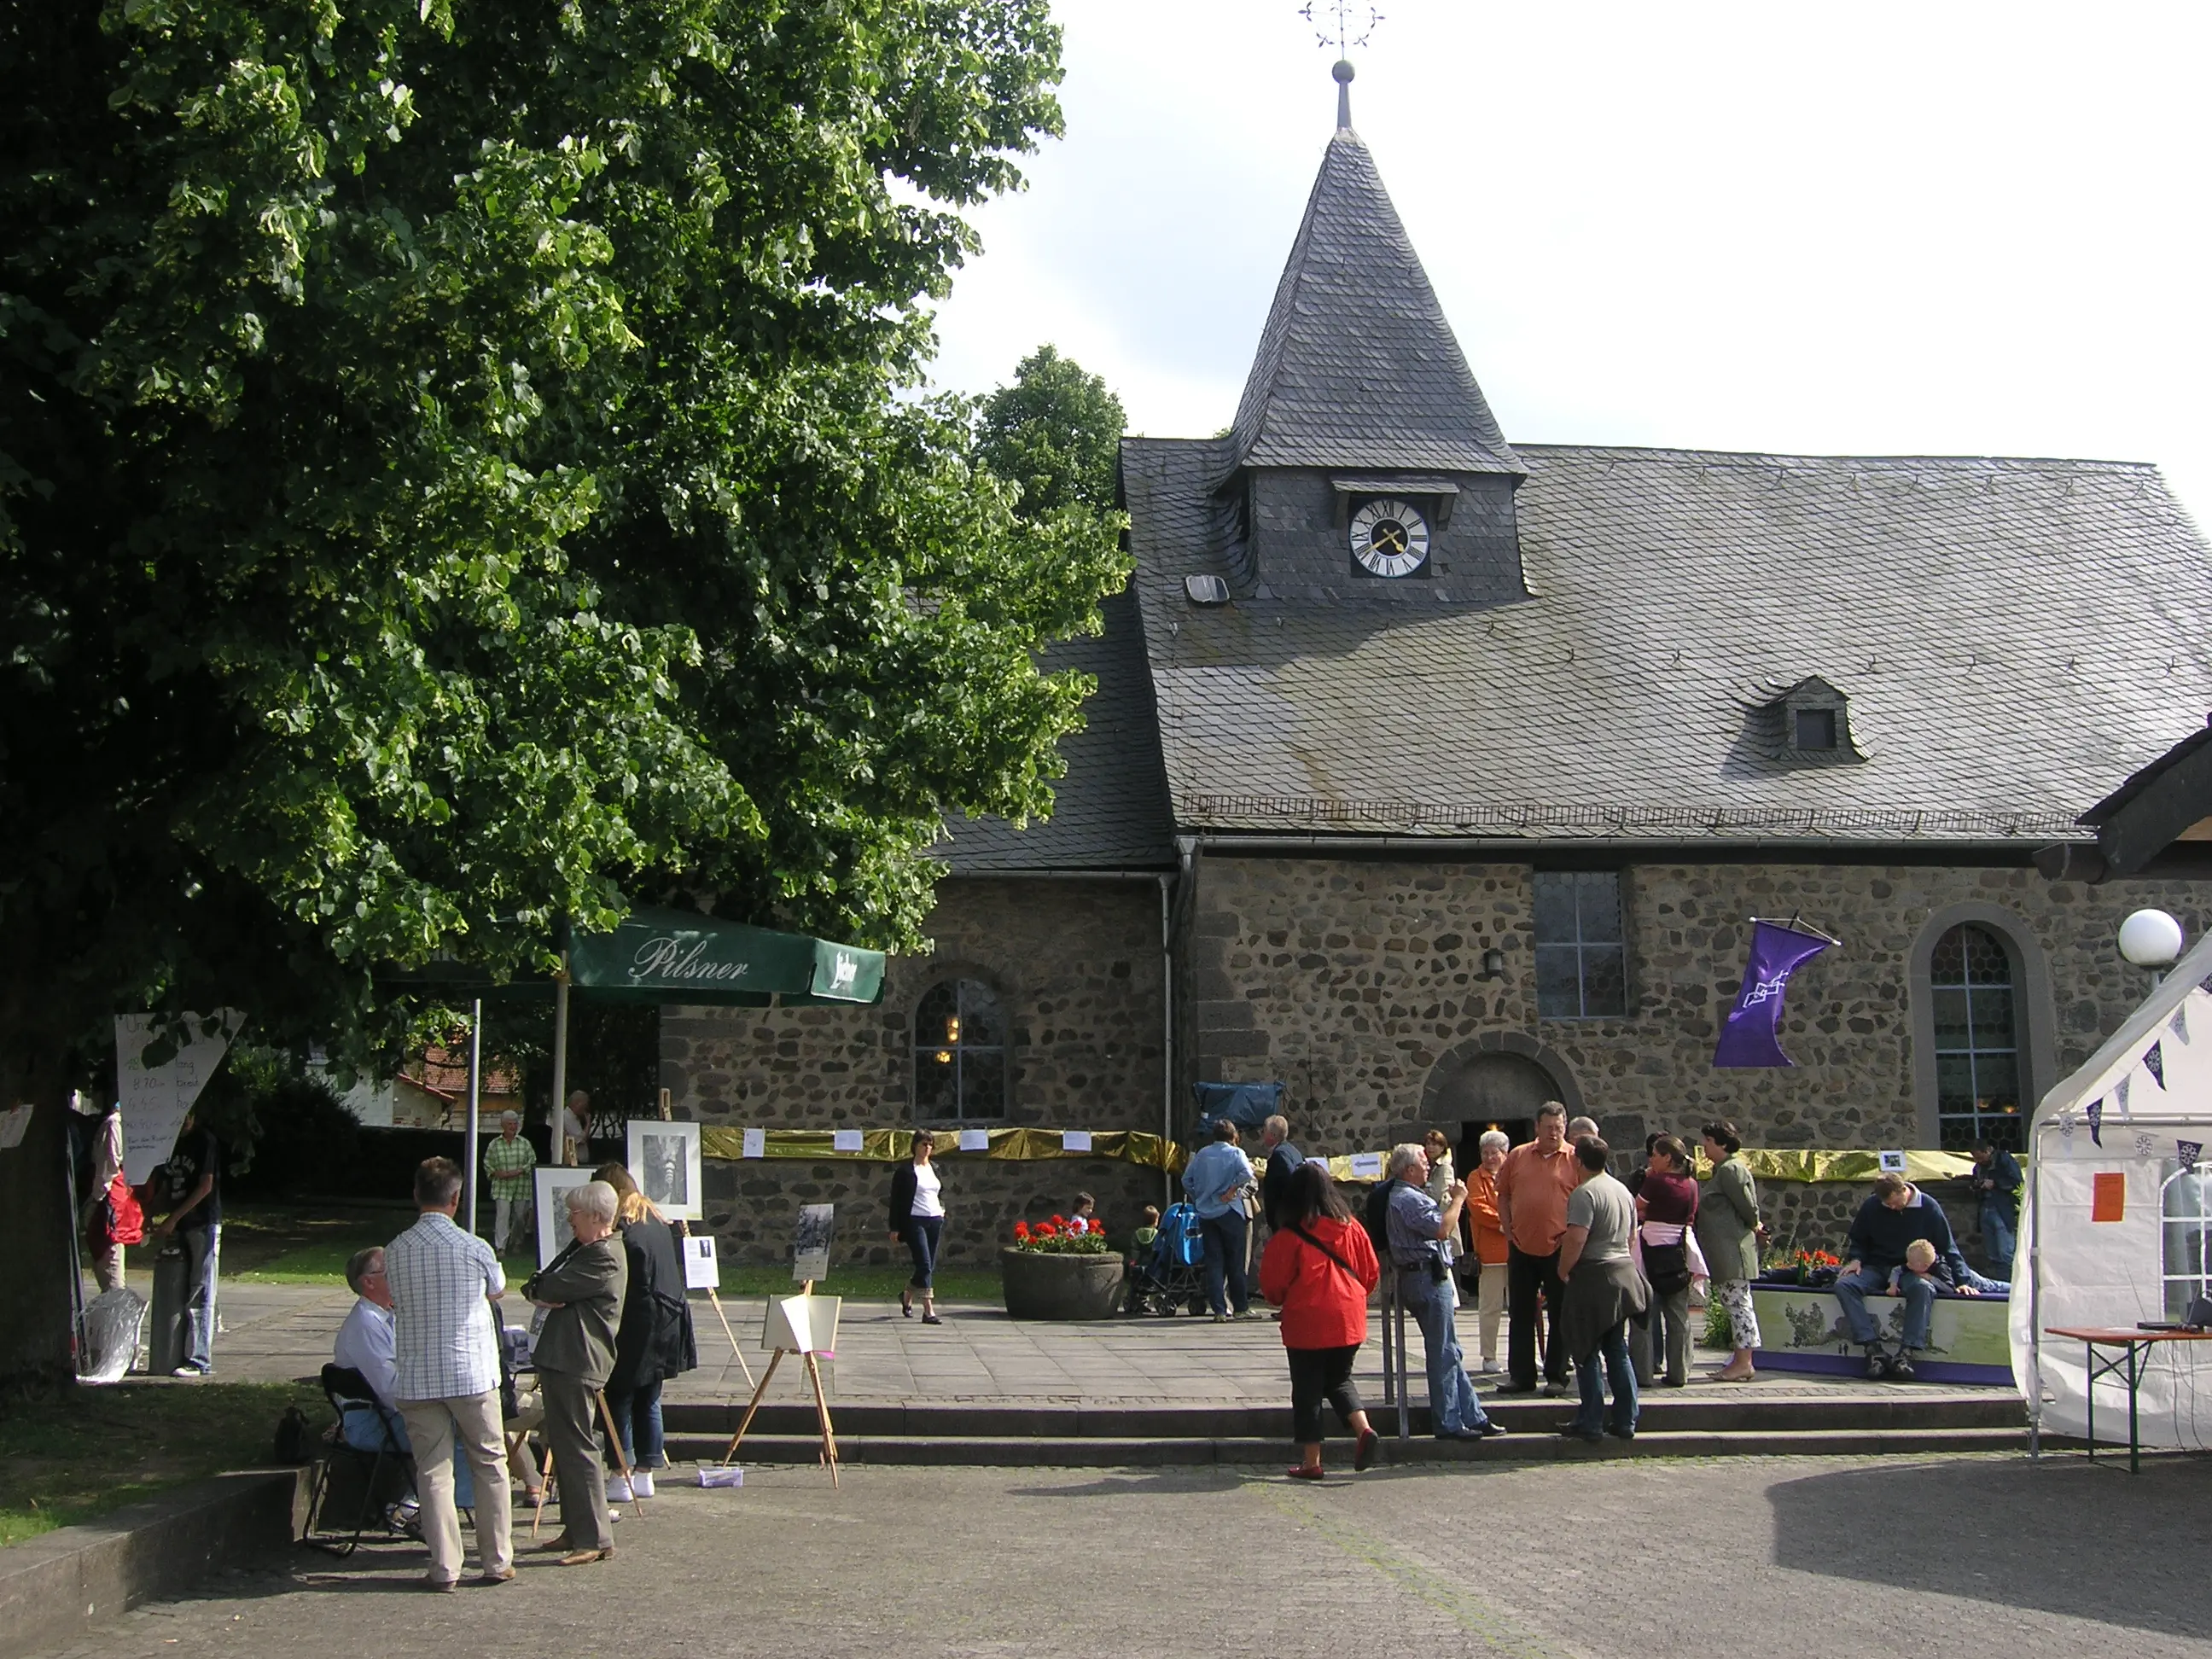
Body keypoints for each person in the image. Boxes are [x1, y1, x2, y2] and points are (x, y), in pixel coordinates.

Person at [385, 1157, 513, 1589]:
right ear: (456, 1199)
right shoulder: (474, 1247)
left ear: (416, 1195)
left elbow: (394, 1297)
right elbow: (498, 1290)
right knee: (489, 1462)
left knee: (433, 1471)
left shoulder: (395, 1250)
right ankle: (496, 1559)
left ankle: (445, 1566)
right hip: (470, 1371)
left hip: (418, 1373)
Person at [526, 1180, 627, 1565]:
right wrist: (540, 1288)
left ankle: (594, 1537)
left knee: (578, 1447)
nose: (569, 1220)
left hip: (577, 1359)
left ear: (598, 1217)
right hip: (564, 1359)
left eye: (575, 1213)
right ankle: (575, 1528)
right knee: (563, 1446)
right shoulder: (586, 1251)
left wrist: (541, 1288)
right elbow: (539, 1286)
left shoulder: (602, 1256)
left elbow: (548, 1286)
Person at [1259, 1161, 1382, 1478]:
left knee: (1307, 1390)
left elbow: (1273, 1286)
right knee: (1339, 1379)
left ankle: (1311, 1461)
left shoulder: (1290, 1235)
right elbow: (1370, 1273)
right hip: (1349, 1315)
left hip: (1307, 1320)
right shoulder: (1353, 1227)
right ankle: (1364, 1429)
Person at [1384, 1143, 1505, 1441]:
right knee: (1443, 1352)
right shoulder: (1408, 1198)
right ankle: (1448, 1421)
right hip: (1426, 1277)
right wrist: (1459, 1199)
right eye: (1423, 1162)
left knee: (1449, 1349)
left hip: (1422, 1276)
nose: (1428, 1166)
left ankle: (1473, 1415)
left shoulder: (1404, 1195)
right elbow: (1442, 1228)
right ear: (1409, 1170)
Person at [591, 1165, 696, 1504]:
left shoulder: (625, 1230)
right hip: (666, 1320)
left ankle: (620, 1475)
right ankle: (645, 1474)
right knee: (649, 1398)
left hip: (637, 1323)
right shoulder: (655, 1220)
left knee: (619, 1397)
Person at [1833, 1173, 1978, 1380]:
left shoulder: (1928, 1207)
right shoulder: (1872, 1206)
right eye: (1888, 1205)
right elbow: (1858, 1238)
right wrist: (1856, 1259)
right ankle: (1872, 1348)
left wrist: (1962, 1281)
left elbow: (1948, 1247)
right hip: (1877, 1266)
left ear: (1904, 1190)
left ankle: (1906, 1353)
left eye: (1895, 1203)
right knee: (1844, 1285)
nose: (1893, 1208)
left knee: (1923, 1288)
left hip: (1910, 1269)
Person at [1557, 1136, 1645, 1442]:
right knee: (1617, 1349)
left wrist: (1563, 1269)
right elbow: (1631, 1238)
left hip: (1595, 1275)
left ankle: (1591, 1420)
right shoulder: (1623, 1191)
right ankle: (1626, 1419)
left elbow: (1577, 1238)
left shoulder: (1584, 1194)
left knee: (1586, 1349)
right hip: (1623, 1272)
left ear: (1578, 1161)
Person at [1496, 1103, 1579, 1395]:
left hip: (1560, 1248)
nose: (1553, 1133)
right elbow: (1503, 1194)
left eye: (1559, 1128)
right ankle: (1521, 1376)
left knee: (1560, 1313)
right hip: (1522, 1246)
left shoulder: (1575, 1159)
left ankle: (1556, 1375)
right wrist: (1508, 1229)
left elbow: (1585, 1200)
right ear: (1537, 1128)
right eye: (1548, 1128)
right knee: (1520, 1313)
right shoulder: (1518, 1156)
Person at [148, 1109, 223, 1377]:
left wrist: (173, 1218)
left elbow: (205, 1186)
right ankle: (175, 1352)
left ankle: (199, 1359)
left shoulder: (204, 1140)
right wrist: (148, 1214)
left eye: (189, 1115)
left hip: (202, 1222)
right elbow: (166, 1186)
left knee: (200, 1289)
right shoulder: (168, 1142)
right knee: (177, 1288)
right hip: (180, 1224)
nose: (184, 1121)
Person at [1695, 1119, 1763, 1382]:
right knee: (1733, 1303)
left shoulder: (1732, 1170)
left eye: (1709, 1141)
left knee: (1739, 1305)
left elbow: (1748, 1207)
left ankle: (1744, 1362)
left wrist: (1755, 1225)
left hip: (1733, 1250)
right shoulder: (1721, 1170)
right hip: (1724, 1250)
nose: (1704, 1145)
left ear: (1722, 1143)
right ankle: (1739, 1360)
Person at [1628, 1135, 1698, 1389]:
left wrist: (1648, 1209)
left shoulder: (1655, 1181)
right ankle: (1679, 1372)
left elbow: (1636, 1207)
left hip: (1649, 1250)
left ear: (1668, 1158)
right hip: (1679, 1251)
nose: (1651, 1160)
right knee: (1678, 1317)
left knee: (1644, 1316)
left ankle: (1643, 1373)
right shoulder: (1692, 1184)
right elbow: (1690, 1216)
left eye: (1656, 1155)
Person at [1182, 1120, 1258, 1321]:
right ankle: (1240, 1307)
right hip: (1229, 1210)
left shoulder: (1202, 1154)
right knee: (1236, 1260)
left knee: (1214, 1262)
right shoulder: (1236, 1153)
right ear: (1233, 1136)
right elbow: (1247, 1173)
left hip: (1206, 1213)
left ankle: (1219, 1310)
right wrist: (1232, 1190)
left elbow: (1186, 1180)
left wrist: (1198, 1197)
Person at [1463, 1130, 1511, 1372]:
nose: (1489, 1157)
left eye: (1494, 1153)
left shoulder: (1514, 1174)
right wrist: (1506, 1223)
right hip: (1491, 1253)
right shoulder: (1475, 1177)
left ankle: (1521, 1355)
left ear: (1505, 1154)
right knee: (1491, 1307)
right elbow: (1478, 1207)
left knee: (1522, 1308)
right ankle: (1489, 1356)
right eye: (1485, 1152)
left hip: (1519, 1250)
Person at [888, 1130, 946, 1324]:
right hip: (914, 1221)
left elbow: (940, 1192)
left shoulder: (935, 1168)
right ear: (915, 1146)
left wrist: (942, 1209)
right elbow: (896, 1201)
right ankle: (928, 1311)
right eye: (923, 1144)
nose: (927, 1148)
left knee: (928, 1266)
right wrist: (894, 1228)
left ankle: (907, 1295)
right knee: (924, 1264)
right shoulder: (905, 1171)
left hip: (934, 1220)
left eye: (930, 1144)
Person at [483, 1112, 537, 1255]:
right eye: (510, 1124)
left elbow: (532, 1161)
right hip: (502, 1185)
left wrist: (519, 1171)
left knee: (520, 1217)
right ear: (503, 1125)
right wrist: (495, 1173)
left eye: (515, 1124)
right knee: (502, 1215)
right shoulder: (494, 1144)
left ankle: (517, 1242)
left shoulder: (524, 1143)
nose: (513, 1127)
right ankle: (501, 1247)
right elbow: (487, 1163)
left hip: (521, 1185)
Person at [1968, 1140, 2023, 1276]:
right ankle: (2000, 1280)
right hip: (1986, 1209)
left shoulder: (2004, 1160)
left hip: (2003, 1210)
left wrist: (1995, 1183)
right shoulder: (1978, 1168)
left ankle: (2010, 1281)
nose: (1978, 1161)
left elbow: (2017, 1183)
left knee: (2005, 1251)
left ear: (1988, 1150)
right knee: (1993, 1253)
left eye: (1980, 1157)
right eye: (1976, 1158)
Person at [1259, 1114, 1304, 1231]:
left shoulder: (1279, 1155)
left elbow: (1289, 1180)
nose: (1262, 1134)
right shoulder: (1293, 1150)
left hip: (1285, 1219)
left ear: (1272, 1135)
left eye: (1264, 1131)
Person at [1422, 1130, 1457, 1202]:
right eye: (1428, 1144)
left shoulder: (1445, 1167)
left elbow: (1437, 1195)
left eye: (1434, 1144)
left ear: (1442, 1148)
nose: (1430, 1147)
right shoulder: (1428, 1165)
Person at [559, 1091, 592, 1166]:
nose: (585, 1109)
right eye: (584, 1105)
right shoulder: (568, 1117)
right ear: (577, 1103)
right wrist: (588, 1123)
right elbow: (581, 1139)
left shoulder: (574, 1117)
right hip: (572, 1162)